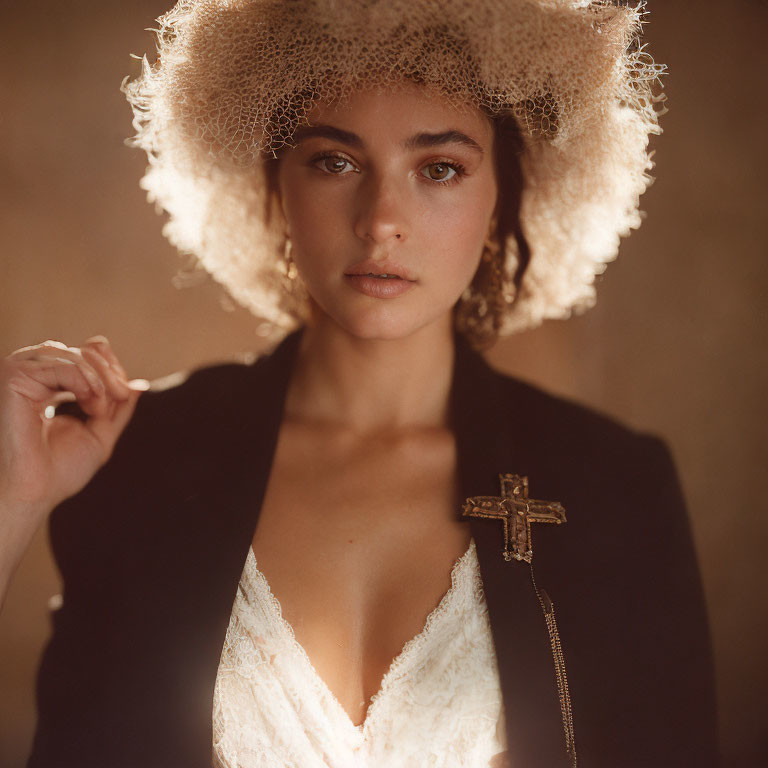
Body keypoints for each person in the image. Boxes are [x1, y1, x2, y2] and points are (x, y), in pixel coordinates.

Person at [0, 1, 719, 766]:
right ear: (273, 182)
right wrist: (14, 499)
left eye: (438, 168)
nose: (381, 222)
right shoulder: (140, 454)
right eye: (335, 161)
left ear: (506, 194)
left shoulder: (615, 486)